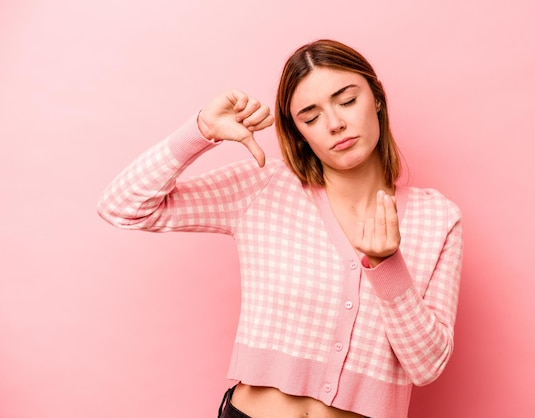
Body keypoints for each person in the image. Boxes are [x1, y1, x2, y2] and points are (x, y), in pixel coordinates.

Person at [97, 39, 463, 418]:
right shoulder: (265, 187)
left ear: (377, 99)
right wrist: (201, 129)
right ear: (298, 130)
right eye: (311, 116)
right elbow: (123, 206)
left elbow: (427, 365)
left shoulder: (437, 218)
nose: (335, 123)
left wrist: (388, 267)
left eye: (347, 100)